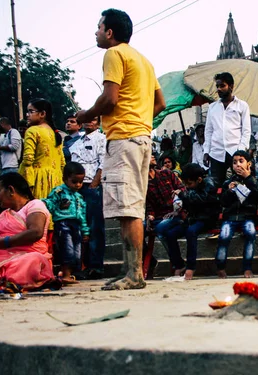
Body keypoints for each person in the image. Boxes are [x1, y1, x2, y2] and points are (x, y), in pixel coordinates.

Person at [76, 8, 166, 290]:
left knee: (128, 209)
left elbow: (110, 98)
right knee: (132, 207)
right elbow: (160, 103)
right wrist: (140, 118)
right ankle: (131, 271)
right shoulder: (144, 60)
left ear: (110, 32)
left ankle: (134, 274)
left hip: (125, 138)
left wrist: (85, 115)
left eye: (99, 27)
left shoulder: (114, 54)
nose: (96, 32)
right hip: (141, 137)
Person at [0, 173, 56, 289]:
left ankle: (2, 280)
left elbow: (35, 232)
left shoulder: (35, 205)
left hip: (24, 259)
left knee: (34, 260)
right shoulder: (4, 214)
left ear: (11, 190)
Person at [164, 163, 219, 280]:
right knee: (170, 234)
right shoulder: (191, 188)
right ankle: (179, 264)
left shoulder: (209, 184)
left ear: (199, 179)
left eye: (189, 184)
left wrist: (183, 195)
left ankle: (191, 267)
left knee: (191, 232)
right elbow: (189, 202)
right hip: (193, 218)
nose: (187, 186)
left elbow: (201, 199)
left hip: (206, 218)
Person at [216, 150, 258, 278]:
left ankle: (247, 268)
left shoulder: (256, 180)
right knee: (224, 236)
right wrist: (229, 191)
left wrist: (248, 178)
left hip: (247, 216)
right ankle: (220, 267)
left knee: (250, 233)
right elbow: (223, 202)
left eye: (241, 161)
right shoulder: (228, 182)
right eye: (234, 162)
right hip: (230, 217)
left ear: (249, 164)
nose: (237, 165)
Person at [70, 115, 106, 278]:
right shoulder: (76, 143)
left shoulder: (101, 139)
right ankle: (80, 265)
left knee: (94, 226)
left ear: (97, 123)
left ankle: (96, 266)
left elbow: (103, 163)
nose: (89, 122)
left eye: (92, 120)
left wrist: (95, 183)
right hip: (78, 187)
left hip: (93, 186)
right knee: (79, 225)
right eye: (86, 119)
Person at [43, 162, 89, 284]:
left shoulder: (79, 197)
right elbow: (51, 203)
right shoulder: (59, 192)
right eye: (74, 182)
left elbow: (82, 215)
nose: (78, 185)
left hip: (76, 225)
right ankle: (66, 274)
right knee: (66, 249)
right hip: (63, 224)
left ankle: (70, 273)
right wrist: (43, 204)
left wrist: (85, 231)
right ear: (65, 179)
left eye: (80, 182)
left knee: (77, 251)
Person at [203, 72, 251, 188]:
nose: (219, 89)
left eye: (222, 86)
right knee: (214, 187)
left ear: (231, 86)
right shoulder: (212, 107)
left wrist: (241, 152)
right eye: (217, 86)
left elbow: (246, 131)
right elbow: (208, 131)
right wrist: (206, 151)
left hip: (235, 152)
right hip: (216, 153)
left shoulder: (242, 106)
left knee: (239, 185)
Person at [145, 154, 186, 275]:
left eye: (152, 154)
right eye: (148, 154)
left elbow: (183, 188)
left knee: (161, 229)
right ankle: (151, 261)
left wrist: (180, 192)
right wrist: (149, 215)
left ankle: (178, 264)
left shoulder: (166, 174)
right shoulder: (143, 182)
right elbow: (148, 205)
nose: (152, 155)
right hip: (159, 217)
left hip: (176, 214)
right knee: (137, 231)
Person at [19, 99, 65, 199]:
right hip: (57, 181)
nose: (27, 115)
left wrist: (21, 177)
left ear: (42, 114)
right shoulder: (55, 133)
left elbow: (28, 159)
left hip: (39, 181)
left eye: (31, 111)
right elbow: (62, 163)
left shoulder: (32, 130)